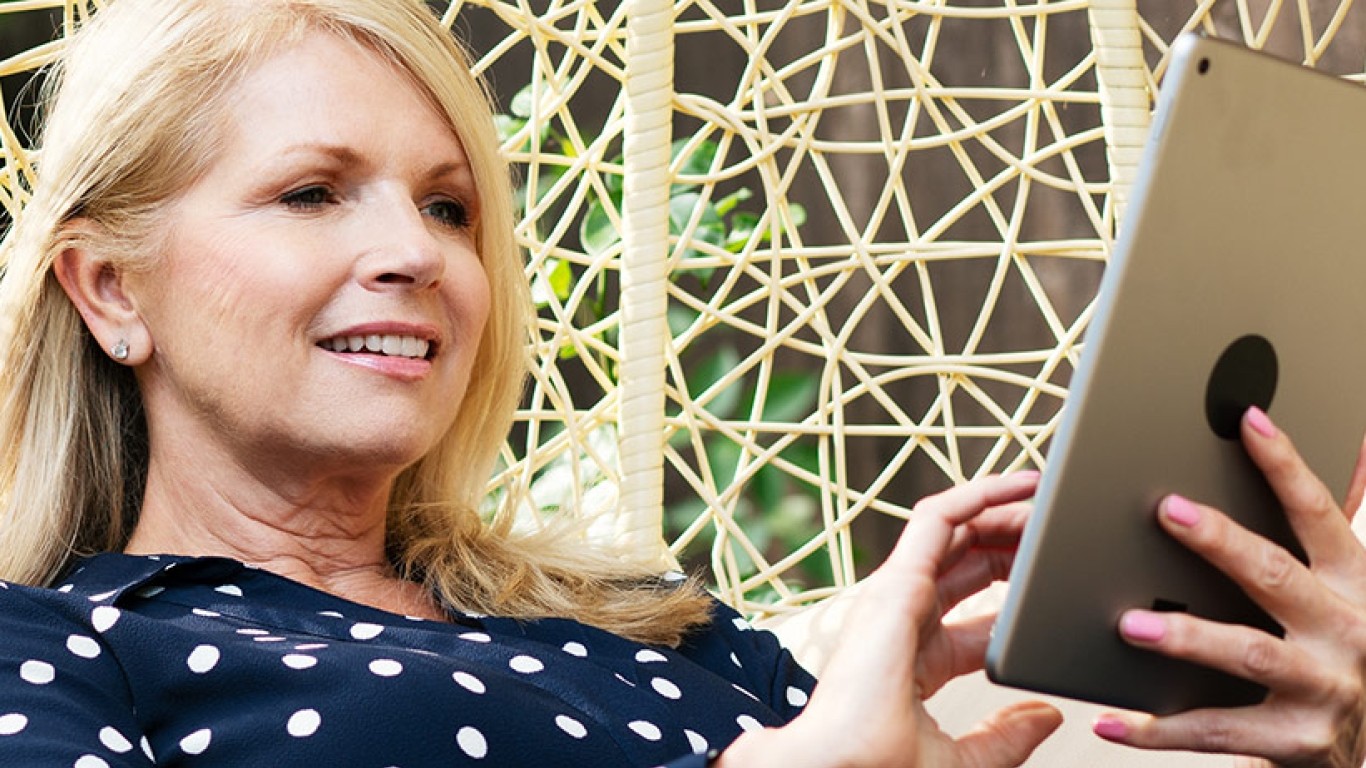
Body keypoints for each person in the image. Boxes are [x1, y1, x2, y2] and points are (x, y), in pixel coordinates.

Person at [0, 1, 1356, 766]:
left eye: (452, 209)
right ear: (112, 291)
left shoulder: (668, 632)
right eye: (309, 193)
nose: (414, 253)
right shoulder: (53, 651)